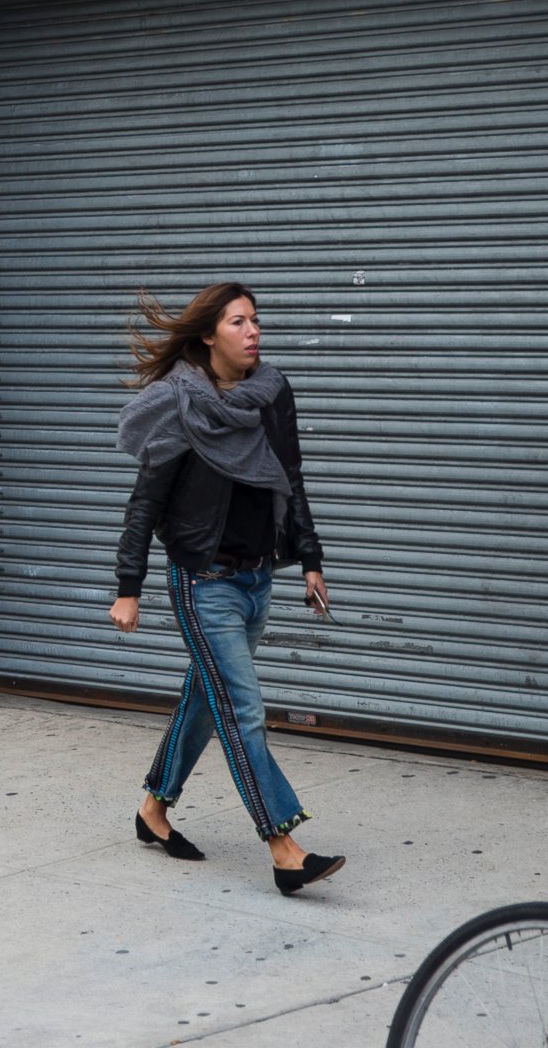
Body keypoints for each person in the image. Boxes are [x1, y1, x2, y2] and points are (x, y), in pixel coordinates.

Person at [109, 282, 345, 895]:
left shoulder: (271, 394)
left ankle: (153, 809)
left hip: (258, 579)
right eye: (238, 322)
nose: (253, 331)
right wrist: (128, 586)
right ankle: (284, 847)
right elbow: (145, 502)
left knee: (204, 698)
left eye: (256, 320)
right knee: (242, 711)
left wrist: (310, 560)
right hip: (203, 582)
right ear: (209, 336)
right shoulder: (177, 403)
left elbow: (289, 477)